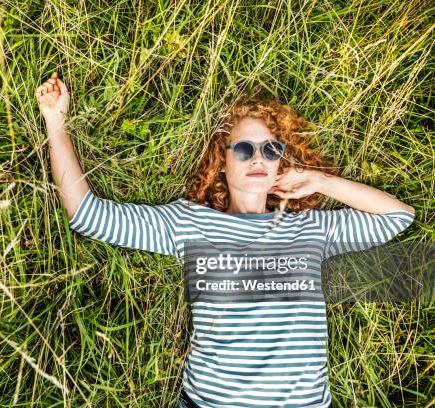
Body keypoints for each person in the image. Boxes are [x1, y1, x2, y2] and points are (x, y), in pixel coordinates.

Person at [36, 72, 415, 407]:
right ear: (223, 159)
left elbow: (398, 216)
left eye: (270, 150)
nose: (258, 160)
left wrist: (321, 181)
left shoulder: (310, 228)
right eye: (245, 149)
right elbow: (87, 214)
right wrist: (56, 122)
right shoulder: (189, 222)